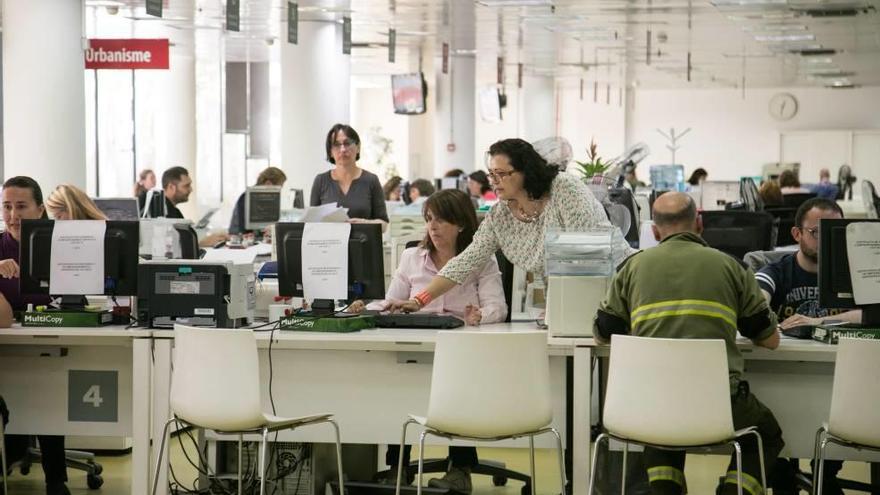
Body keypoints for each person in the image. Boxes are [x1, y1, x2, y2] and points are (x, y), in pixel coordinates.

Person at [594, 192, 783, 495]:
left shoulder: (631, 267)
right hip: (718, 401)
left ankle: (664, 489)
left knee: (663, 429)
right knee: (766, 434)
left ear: (654, 231)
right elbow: (770, 340)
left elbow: (604, 333)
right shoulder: (732, 267)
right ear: (699, 223)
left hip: (651, 403)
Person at [350, 189, 507, 493]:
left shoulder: (479, 259)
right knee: (399, 388)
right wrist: (367, 306)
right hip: (413, 343)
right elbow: (391, 301)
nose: (433, 227)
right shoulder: (411, 257)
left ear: (461, 223)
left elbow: (498, 308)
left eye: (441, 220)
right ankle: (398, 468)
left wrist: (479, 316)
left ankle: (460, 469)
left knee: (457, 393)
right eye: (429, 220)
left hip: (460, 350)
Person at [388, 138, 632, 314]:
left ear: (526, 171)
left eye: (502, 174)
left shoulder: (563, 188)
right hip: (567, 302)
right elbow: (464, 262)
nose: (494, 182)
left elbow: (588, 251)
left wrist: (564, 308)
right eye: (492, 175)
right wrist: (420, 300)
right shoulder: (501, 216)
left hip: (615, 283)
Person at [754, 198, 859, 494]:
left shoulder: (857, 276)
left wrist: (819, 323)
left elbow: (873, 312)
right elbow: (757, 296)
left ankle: (825, 475)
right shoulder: (778, 271)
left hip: (841, 383)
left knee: (825, 469)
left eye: (836, 232)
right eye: (817, 232)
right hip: (789, 377)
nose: (827, 242)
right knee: (784, 462)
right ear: (797, 234)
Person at [0, 176, 70, 495]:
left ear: (40, 210)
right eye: (6, 206)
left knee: (48, 393)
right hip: (8, 345)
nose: (13, 215)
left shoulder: (62, 246)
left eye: (21, 206)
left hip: (50, 340)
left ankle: (56, 478)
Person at [310, 124, 389, 224]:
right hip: (330, 239)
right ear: (330, 152)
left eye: (347, 143)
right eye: (336, 145)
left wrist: (364, 223)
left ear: (358, 148)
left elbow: (384, 224)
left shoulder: (371, 180)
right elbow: (312, 222)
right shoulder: (321, 181)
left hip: (363, 238)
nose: (342, 149)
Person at [228, 167, 287, 235]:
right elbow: (244, 230)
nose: (279, 191)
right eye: (279, 187)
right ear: (268, 183)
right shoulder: (247, 197)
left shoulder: (265, 199)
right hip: (239, 239)